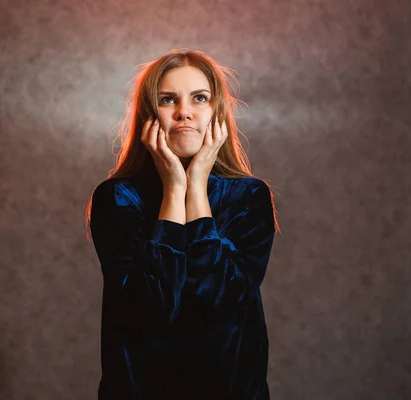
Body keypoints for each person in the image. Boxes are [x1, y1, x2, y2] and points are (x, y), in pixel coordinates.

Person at [85, 48, 279, 399]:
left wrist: (198, 188)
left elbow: (220, 300)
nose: (184, 112)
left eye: (199, 98)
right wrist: (175, 189)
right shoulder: (117, 198)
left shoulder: (249, 197)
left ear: (216, 112)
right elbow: (153, 307)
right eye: (167, 99)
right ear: (149, 115)